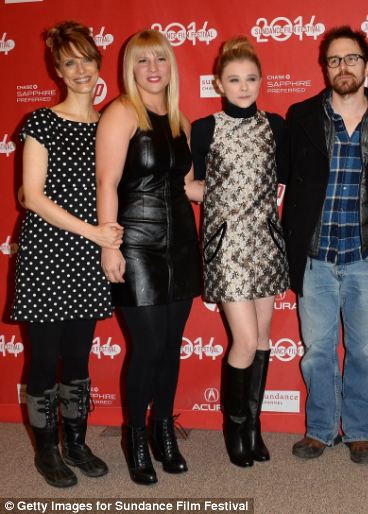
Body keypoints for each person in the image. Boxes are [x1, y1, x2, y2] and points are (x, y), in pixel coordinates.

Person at [284, 26, 368, 464]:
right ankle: (319, 430)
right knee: (317, 349)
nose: (343, 67)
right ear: (325, 68)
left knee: (363, 350)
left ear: (367, 65)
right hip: (315, 257)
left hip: (366, 255)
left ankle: (358, 430)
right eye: (334, 60)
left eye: (351, 58)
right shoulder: (301, 117)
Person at [12, 21, 121, 488]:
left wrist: (106, 238)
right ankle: (47, 450)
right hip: (46, 252)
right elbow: (30, 196)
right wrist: (94, 233)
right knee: (43, 357)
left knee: (78, 357)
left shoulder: (111, 123)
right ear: (57, 70)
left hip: (88, 255)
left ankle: (75, 442)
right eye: (69, 62)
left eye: (86, 60)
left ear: (99, 64)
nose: (80, 70)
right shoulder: (41, 121)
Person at [96, 29, 201, 485]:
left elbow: (189, 187)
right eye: (143, 61)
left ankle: (164, 431)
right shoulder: (120, 113)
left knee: (172, 349)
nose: (153, 68)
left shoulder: (182, 120)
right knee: (148, 348)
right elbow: (106, 183)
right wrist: (109, 245)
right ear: (130, 68)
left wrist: (241, 189)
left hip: (181, 242)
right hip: (136, 243)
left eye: (160, 59)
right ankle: (136, 438)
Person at [190, 37, 289, 468]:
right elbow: (188, 185)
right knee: (245, 340)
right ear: (219, 83)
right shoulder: (204, 127)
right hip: (226, 244)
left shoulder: (276, 125)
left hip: (266, 241)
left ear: (261, 81)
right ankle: (234, 425)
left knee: (264, 339)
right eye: (234, 79)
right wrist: (224, 198)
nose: (244, 87)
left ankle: (253, 426)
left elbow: (281, 183)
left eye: (251, 79)